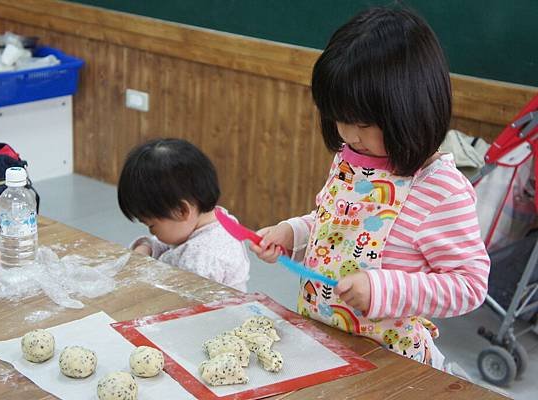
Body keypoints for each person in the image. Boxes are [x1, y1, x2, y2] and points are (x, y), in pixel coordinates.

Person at [250, 6, 490, 369]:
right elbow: (335, 230)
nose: (347, 135)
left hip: (390, 362)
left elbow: (469, 285)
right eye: (338, 119)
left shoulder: (441, 190)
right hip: (325, 342)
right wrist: (292, 235)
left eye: (360, 122)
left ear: (410, 110)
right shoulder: (350, 160)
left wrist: (382, 290)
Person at [118, 138, 250, 292]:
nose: (152, 233)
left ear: (181, 210)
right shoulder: (213, 218)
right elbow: (167, 244)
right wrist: (145, 247)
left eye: (152, 226)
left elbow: (181, 305)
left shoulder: (200, 259)